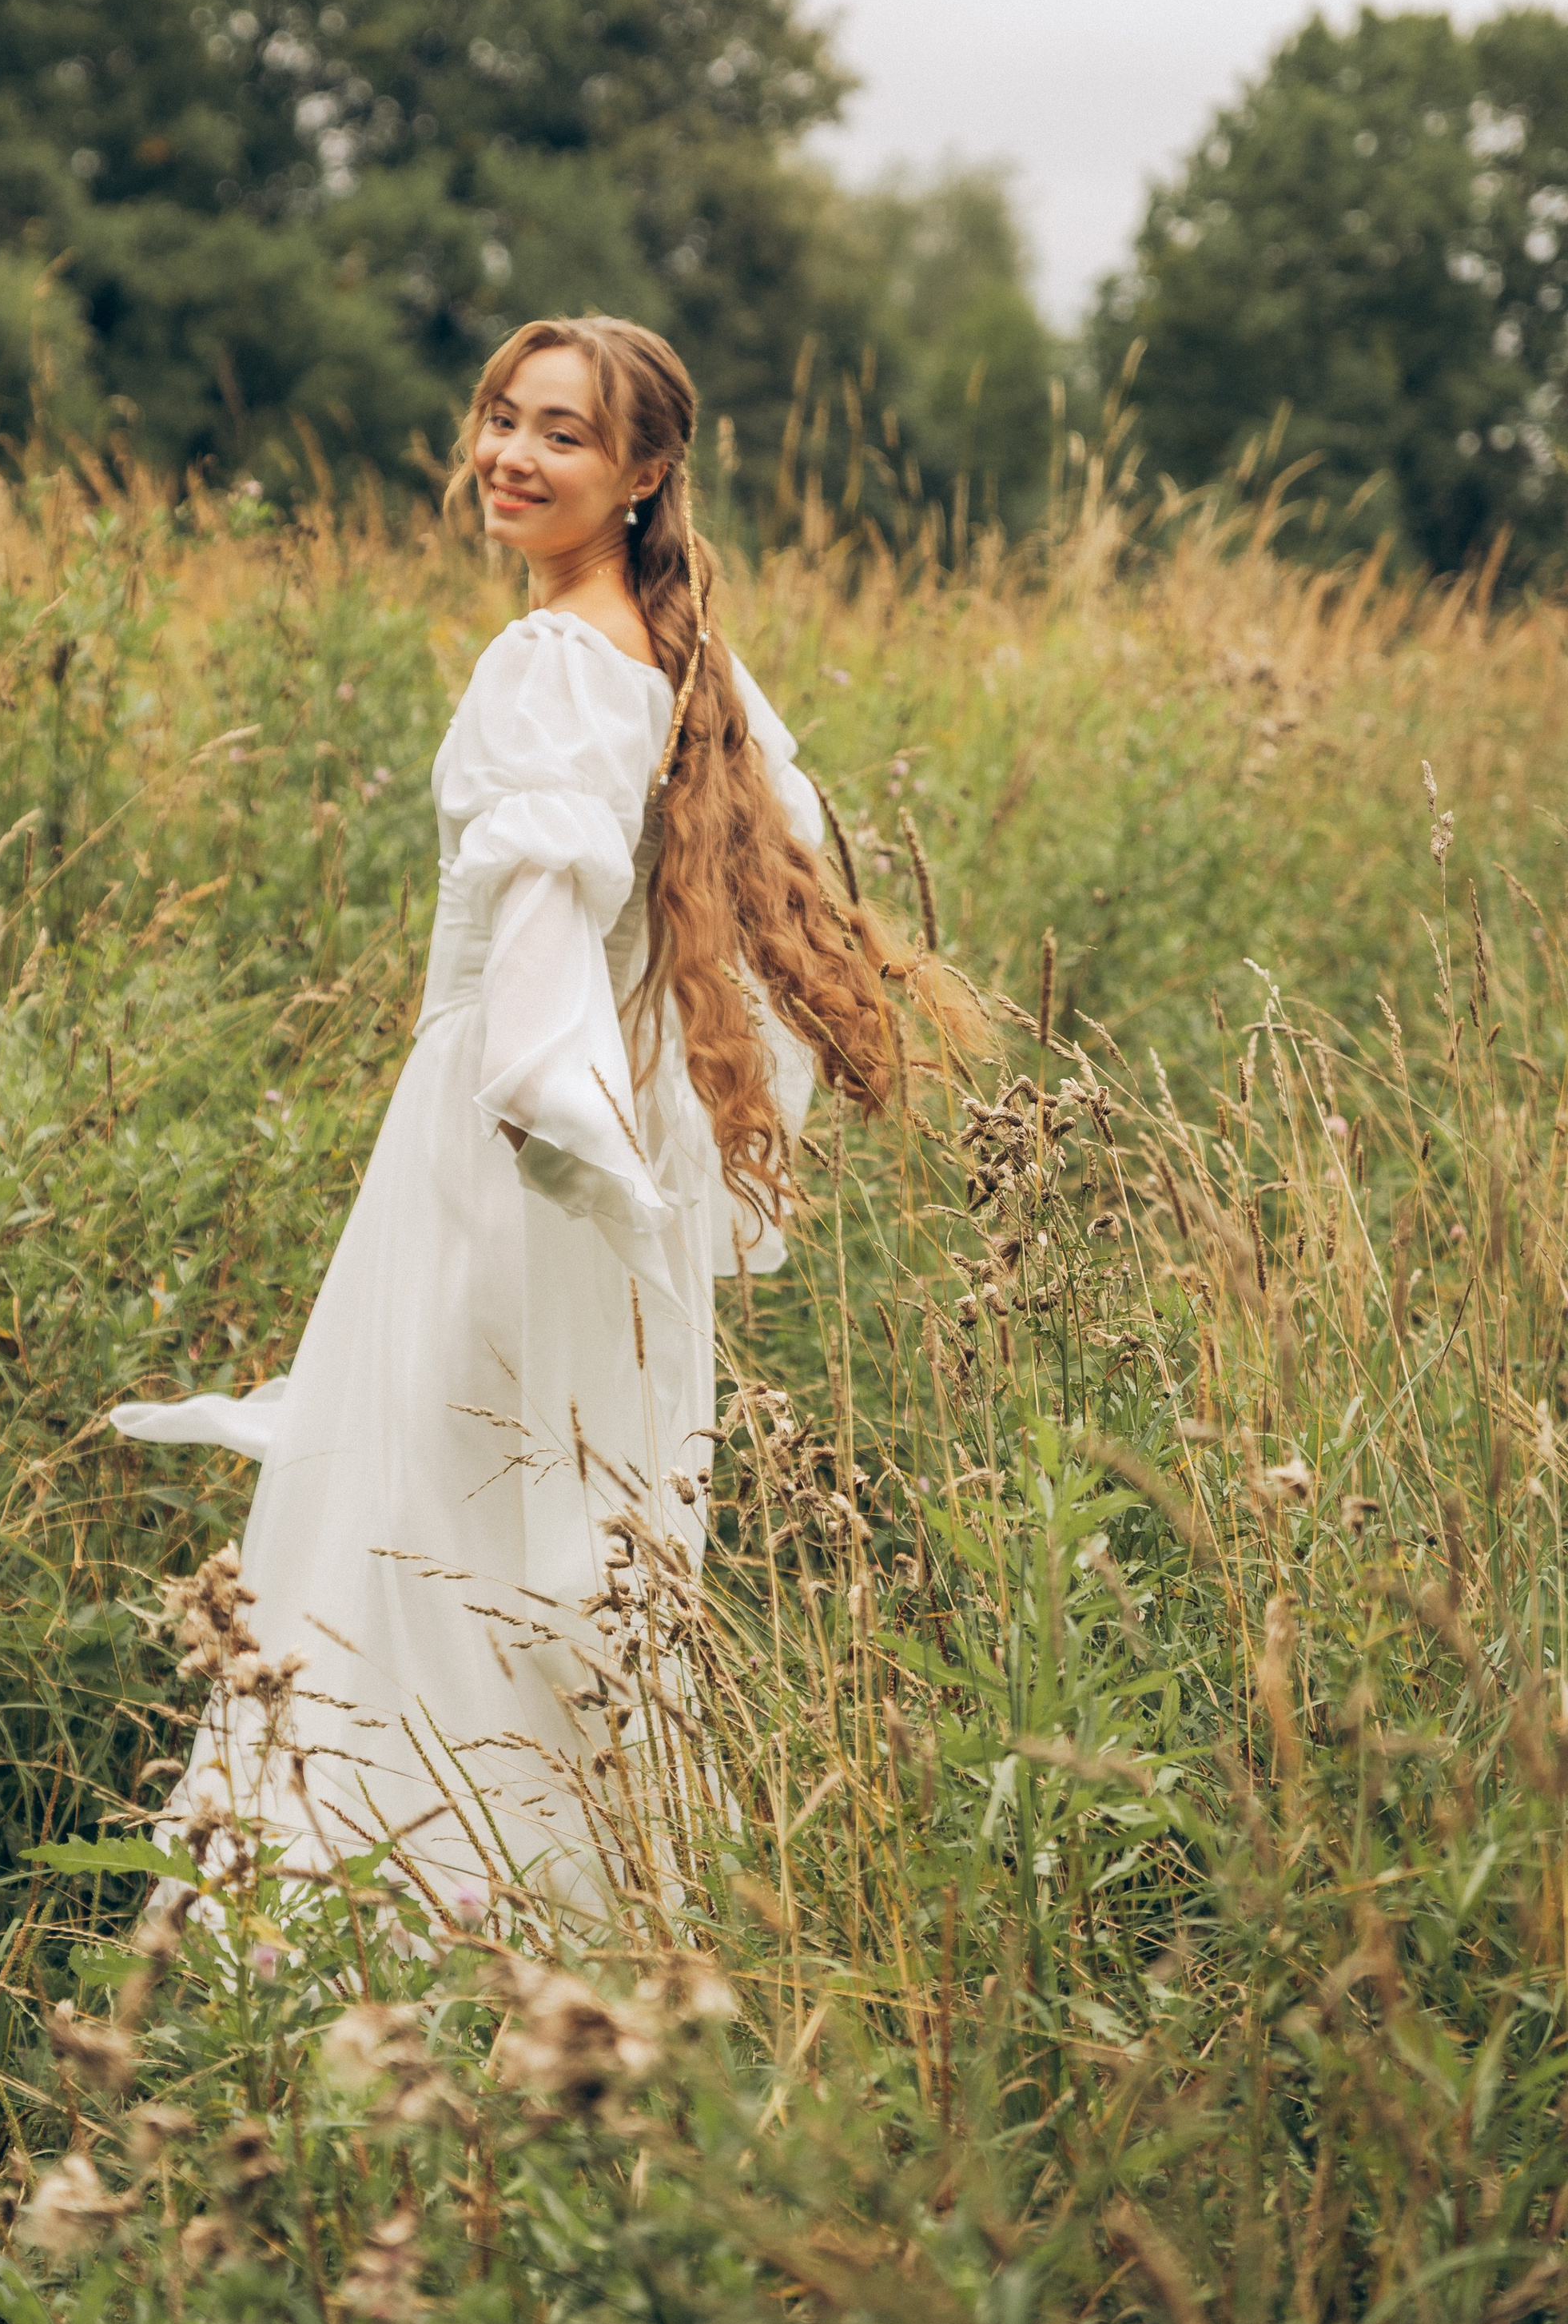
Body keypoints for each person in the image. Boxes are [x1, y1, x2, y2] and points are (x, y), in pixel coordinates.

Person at [112, 315, 973, 1915]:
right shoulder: (675, 657)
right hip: (593, 1138)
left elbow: (541, 923)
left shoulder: (554, 660)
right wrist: (620, 1151)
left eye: (561, 433)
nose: (510, 454)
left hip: (513, 1148)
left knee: (414, 1514)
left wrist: (551, 1118)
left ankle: (374, 1918)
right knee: (535, 1529)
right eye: (503, 416)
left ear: (642, 472)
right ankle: (560, 1914)